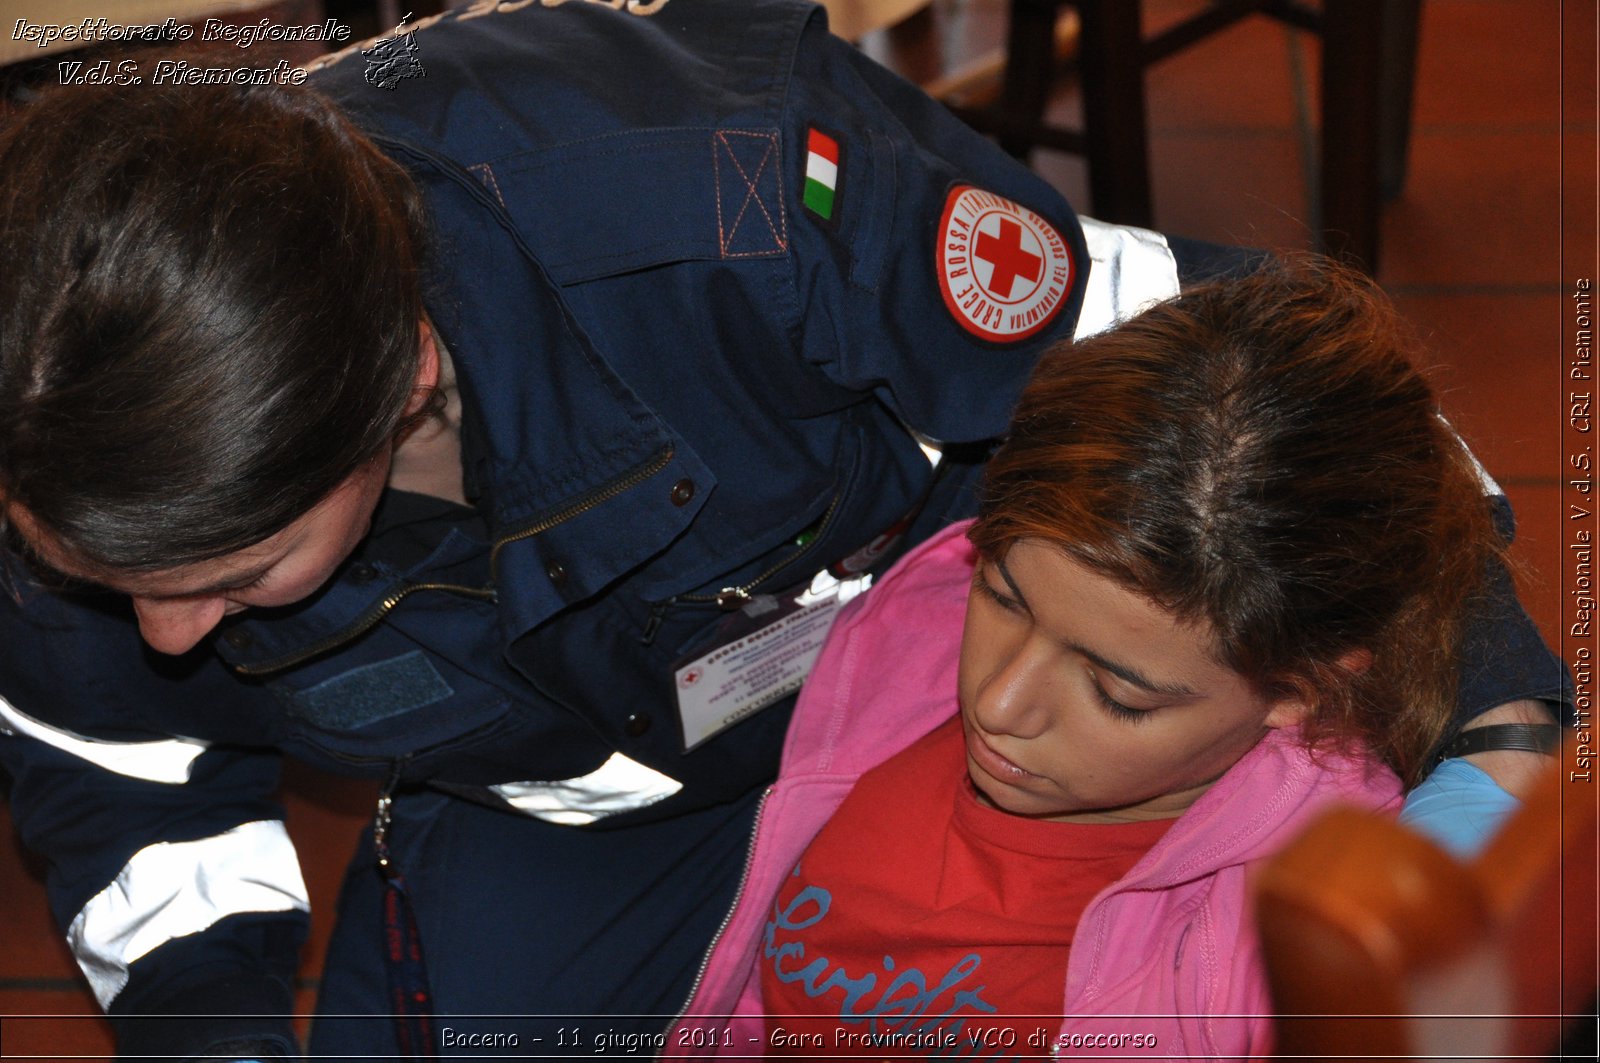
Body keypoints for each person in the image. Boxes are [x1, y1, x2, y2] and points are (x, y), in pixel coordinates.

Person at [0, 1, 1565, 1059]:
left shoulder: (742, 202)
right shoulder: (61, 408)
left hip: (930, 667)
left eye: (234, 577)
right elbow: (128, 786)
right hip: (562, 807)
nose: (172, 640)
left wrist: (1498, 721)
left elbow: (1240, 368)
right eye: (115, 580)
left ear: (403, 375)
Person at [668, 259, 1535, 1059]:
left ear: (1294, 691)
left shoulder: (1278, 951)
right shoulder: (917, 612)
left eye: (1117, 693)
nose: (1001, 702)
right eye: (1004, 597)